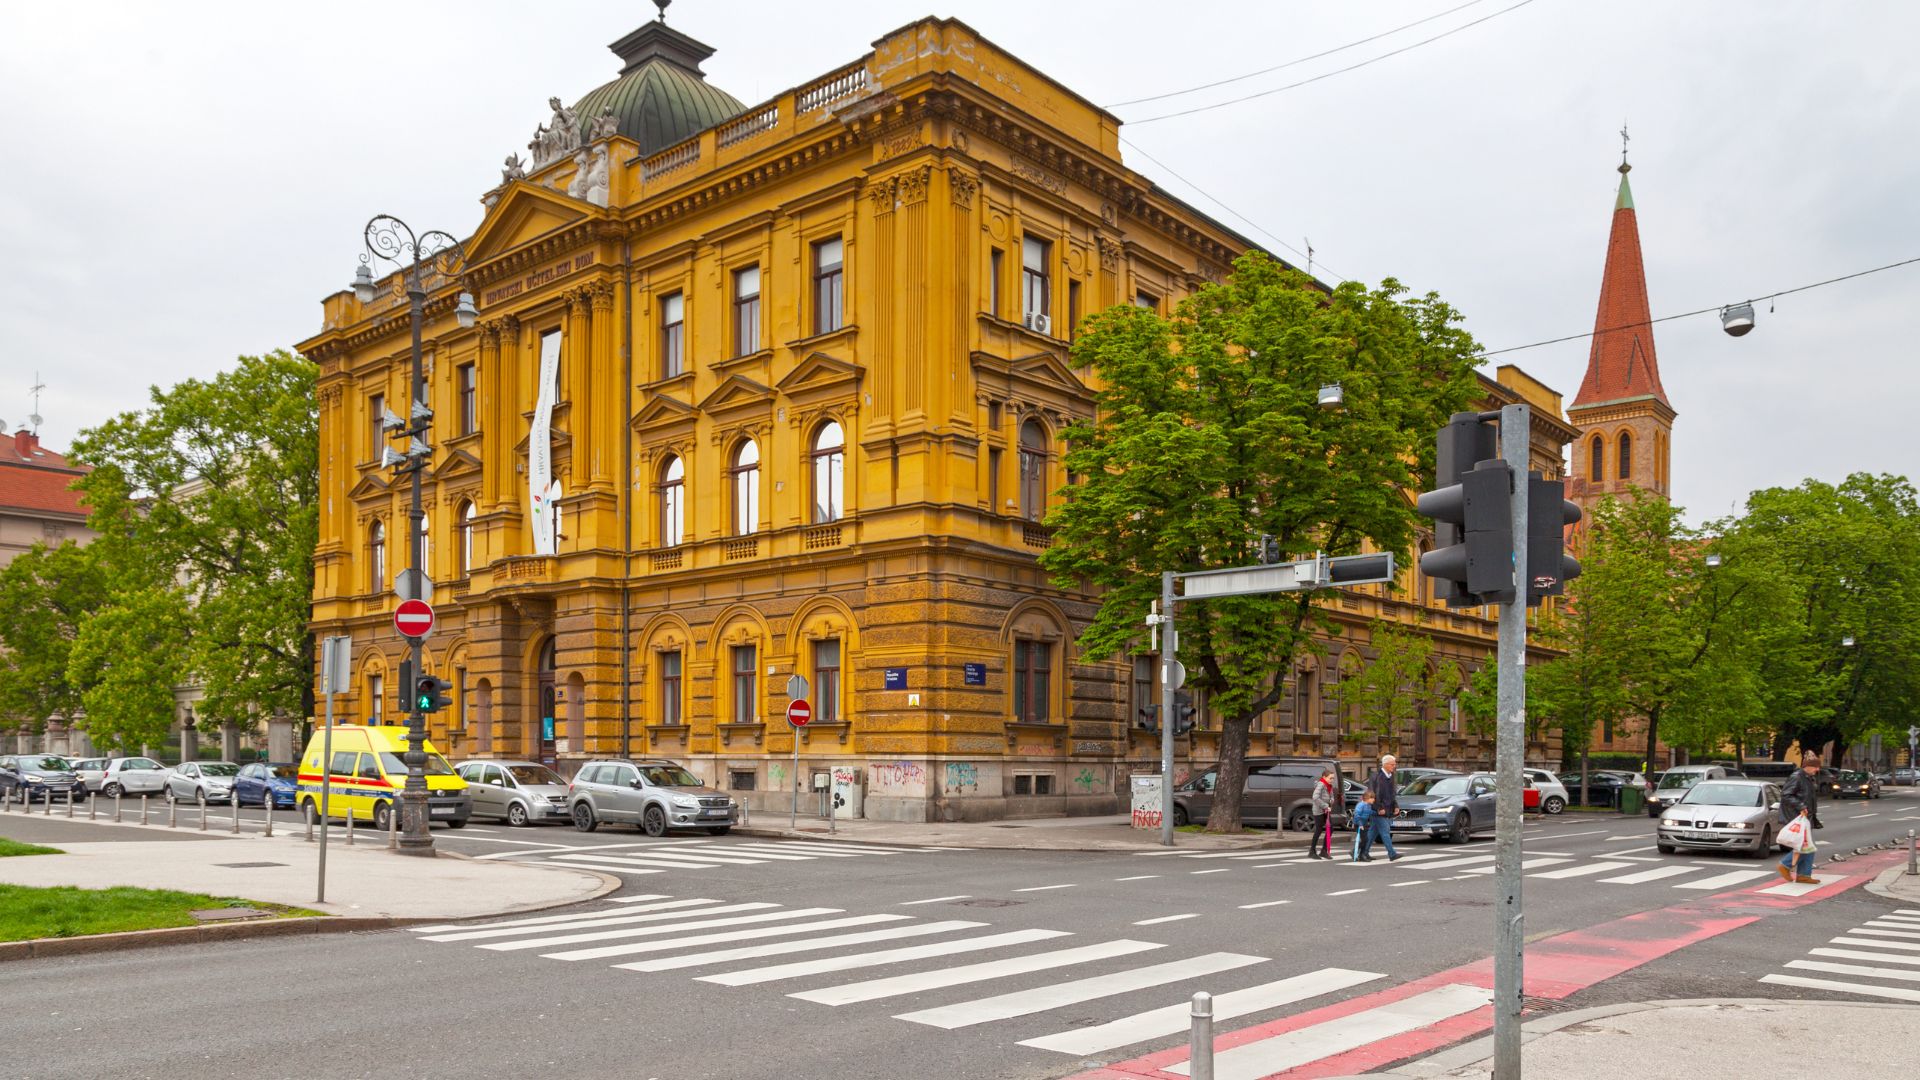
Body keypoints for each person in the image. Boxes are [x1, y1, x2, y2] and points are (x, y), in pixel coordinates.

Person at [1778, 751, 1825, 884]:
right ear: (1807, 766)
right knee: (1806, 846)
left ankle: (1803, 875)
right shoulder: (1797, 777)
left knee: (1808, 846)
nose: (1818, 769)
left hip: (1805, 816)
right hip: (1797, 816)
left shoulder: (1807, 777)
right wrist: (1800, 806)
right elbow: (1786, 795)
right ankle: (1786, 865)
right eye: (1815, 767)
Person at [1366, 754, 1403, 861]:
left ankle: (1360, 851)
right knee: (1385, 831)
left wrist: (1395, 805)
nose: (1394, 766)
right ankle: (1392, 854)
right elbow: (1372, 794)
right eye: (1392, 764)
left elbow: (1392, 794)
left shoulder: (1391, 776)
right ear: (1385, 764)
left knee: (1372, 833)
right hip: (1378, 810)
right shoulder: (1376, 776)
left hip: (1386, 810)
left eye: (1395, 764)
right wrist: (1378, 807)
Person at [1308, 767, 1337, 859]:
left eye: (1333, 778)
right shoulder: (1321, 784)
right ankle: (1312, 851)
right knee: (1319, 830)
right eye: (1330, 778)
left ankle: (1324, 851)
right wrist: (1325, 806)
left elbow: (1331, 796)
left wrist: (1332, 800)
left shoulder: (1329, 785)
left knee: (1330, 829)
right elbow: (1315, 797)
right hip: (1319, 811)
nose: (1332, 780)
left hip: (1326, 811)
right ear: (1324, 777)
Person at [1351, 790, 1378, 861]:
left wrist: (1377, 813)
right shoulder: (1360, 805)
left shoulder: (1368, 805)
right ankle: (1356, 852)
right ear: (1367, 798)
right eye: (1372, 798)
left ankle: (1361, 854)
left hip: (1364, 824)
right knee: (1365, 840)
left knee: (1365, 840)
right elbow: (1357, 815)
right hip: (1358, 825)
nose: (1374, 800)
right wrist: (1360, 824)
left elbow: (1369, 812)